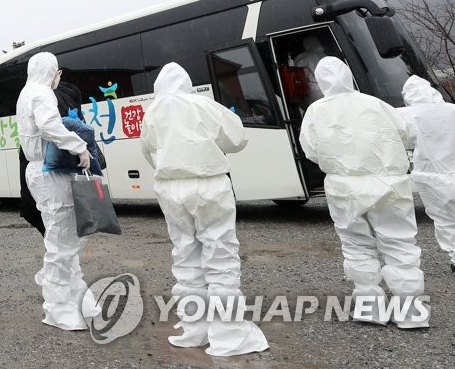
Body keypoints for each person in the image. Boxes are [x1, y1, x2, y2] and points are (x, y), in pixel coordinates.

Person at [140, 62, 268, 356]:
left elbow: (149, 151)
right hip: (209, 183)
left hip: (171, 188)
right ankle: (228, 334)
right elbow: (237, 139)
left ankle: (194, 328)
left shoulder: (153, 111)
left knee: (185, 255)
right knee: (220, 255)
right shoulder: (203, 104)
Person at [299, 57, 428, 328]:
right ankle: (411, 313)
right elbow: (407, 134)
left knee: (356, 245)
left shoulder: (315, 110)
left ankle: (371, 309)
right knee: (399, 243)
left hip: (344, 186)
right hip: (388, 182)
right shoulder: (376, 104)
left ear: (321, 82)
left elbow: (309, 149)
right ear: (349, 76)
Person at [16, 52, 94, 329]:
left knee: (65, 237)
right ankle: (58, 306)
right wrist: (79, 146)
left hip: (42, 170)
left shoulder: (27, 93)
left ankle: (77, 293)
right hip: (48, 171)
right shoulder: (41, 94)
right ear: (52, 72)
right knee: (61, 241)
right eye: (57, 72)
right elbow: (50, 126)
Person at [398, 75, 455, 274]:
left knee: (445, 220)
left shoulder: (407, 115)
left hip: (430, 178)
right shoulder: (452, 110)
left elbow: (403, 139)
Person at [294, 37, 328, 101]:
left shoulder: (301, 58)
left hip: (314, 92)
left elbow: (297, 76)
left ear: (305, 44)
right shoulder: (324, 55)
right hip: (329, 88)